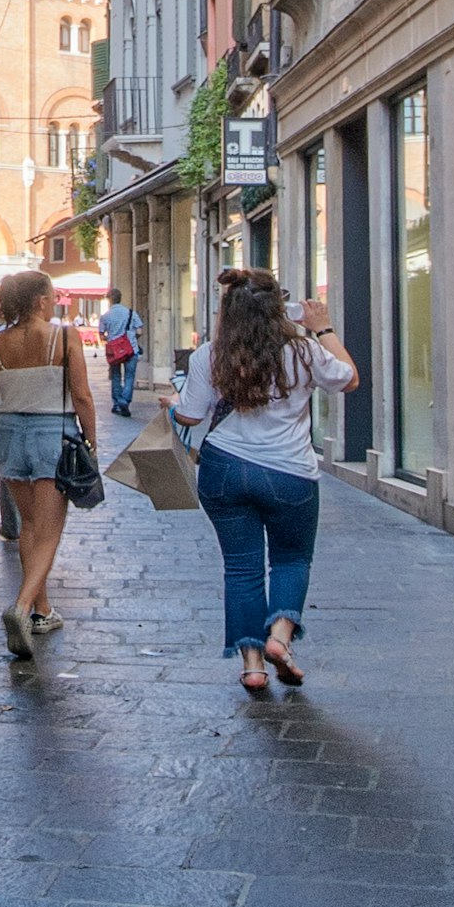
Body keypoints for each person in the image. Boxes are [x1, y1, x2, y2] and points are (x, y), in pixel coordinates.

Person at [175, 265, 358, 696]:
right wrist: (323, 328)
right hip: (289, 472)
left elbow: (189, 415)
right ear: (280, 308)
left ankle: (253, 667)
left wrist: (173, 402)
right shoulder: (303, 351)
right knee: (291, 560)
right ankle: (279, 637)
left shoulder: (210, 354)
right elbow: (350, 378)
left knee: (241, 568)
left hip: (223, 470)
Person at [0, 267, 101, 659]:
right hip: (55, 432)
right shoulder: (65, 337)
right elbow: (81, 395)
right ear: (40, 301)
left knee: (29, 526)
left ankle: (42, 610)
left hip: (11, 434)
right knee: (49, 532)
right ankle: (21, 606)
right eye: (49, 298)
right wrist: (92, 441)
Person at [98, 291, 143, 418]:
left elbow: (101, 335)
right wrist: (132, 338)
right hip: (130, 349)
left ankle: (117, 403)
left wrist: (111, 339)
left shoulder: (105, 316)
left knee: (116, 376)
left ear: (109, 300)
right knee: (129, 377)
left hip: (114, 351)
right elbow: (139, 330)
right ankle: (125, 401)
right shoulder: (130, 313)